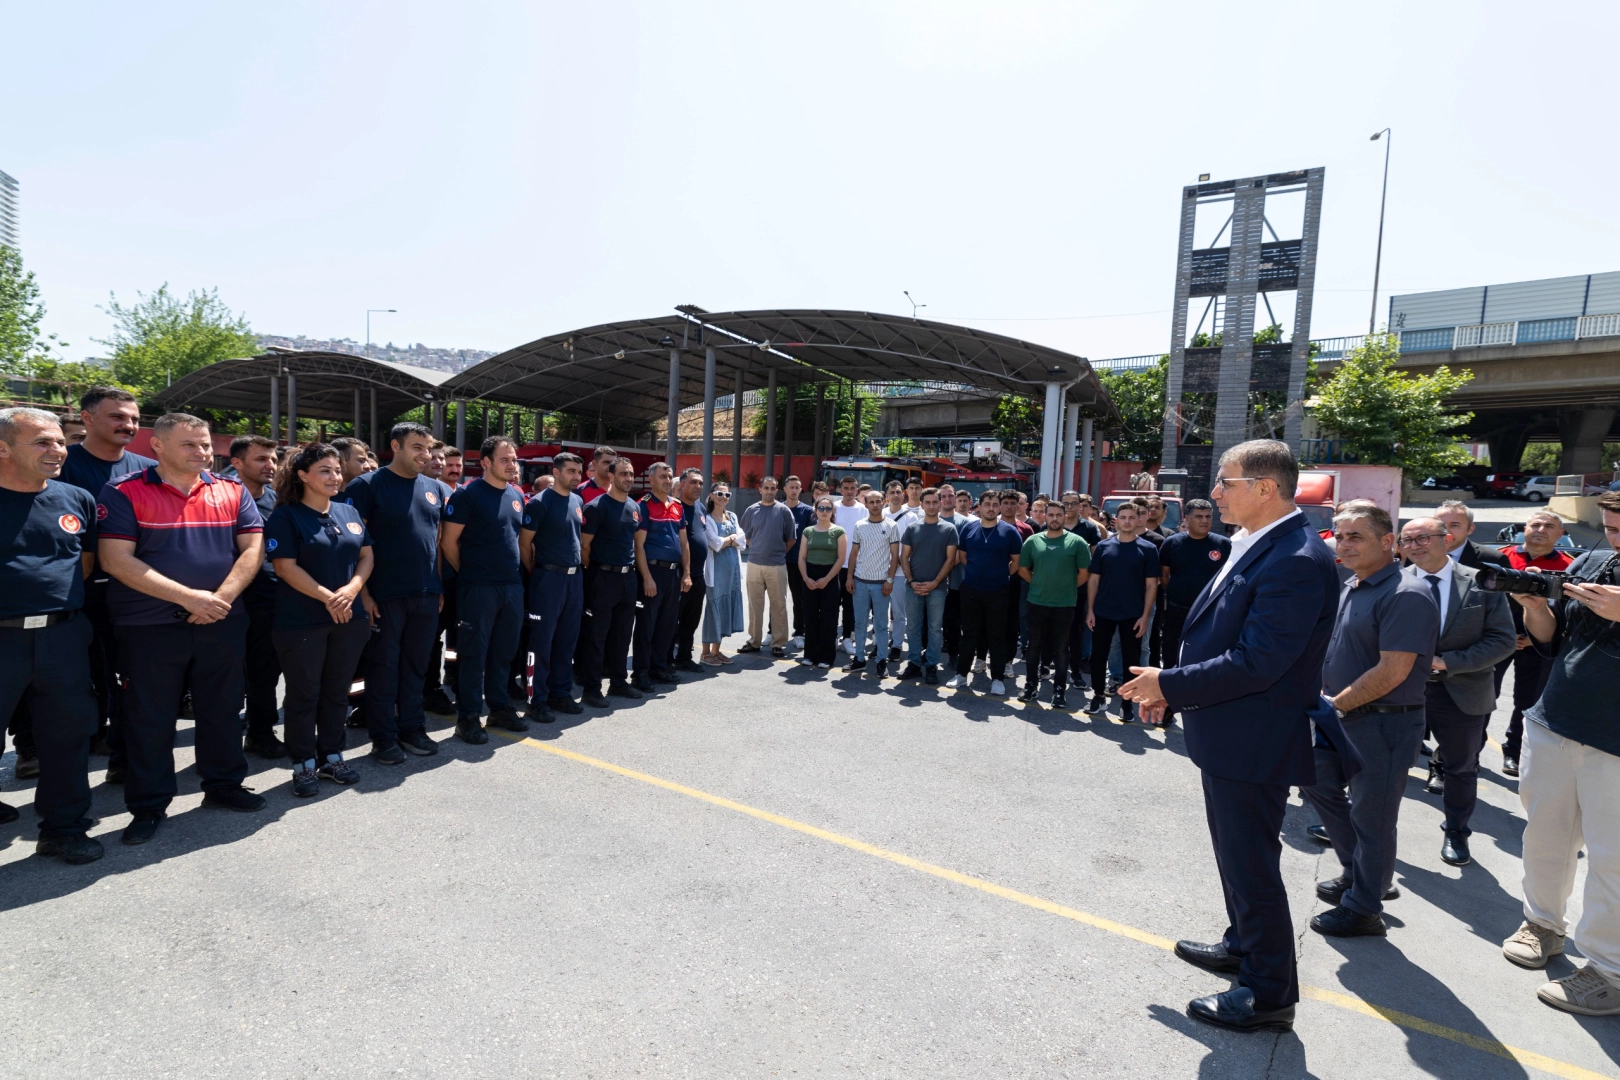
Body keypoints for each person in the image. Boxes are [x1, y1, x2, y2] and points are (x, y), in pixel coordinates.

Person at [1117, 440, 1339, 1034]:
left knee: (1252, 865)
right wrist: (1172, 690)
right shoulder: (1263, 543)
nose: (1214, 493)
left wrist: (1167, 683)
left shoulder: (1293, 557)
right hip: (1234, 731)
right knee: (1239, 857)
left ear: (1265, 488)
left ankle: (1269, 994)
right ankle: (1244, 944)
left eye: (1225, 481)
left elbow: (1257, 662)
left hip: (1252, 735)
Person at [98, 413, 267, 845]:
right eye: (191, 444)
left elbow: (251, 550)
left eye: (207, 444)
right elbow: (116, 560)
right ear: (157, 446)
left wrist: (221, 600)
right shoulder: (124, 492)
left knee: (223, 708)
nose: (204, 452)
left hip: (222, 620)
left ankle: (224, 784)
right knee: (149, 719)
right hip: (149, 626)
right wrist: (190, 598)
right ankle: (149, 805)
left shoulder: (231, 491)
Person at [1498, 490, 1620, 1015]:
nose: (1617, 539)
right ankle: (1542, 923)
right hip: (1555, 721)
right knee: (1544, 834)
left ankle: (1608, 970)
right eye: (1613, 527)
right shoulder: (1594, 561)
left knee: (1613, 860)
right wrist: (1535, 609)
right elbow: (1555, 639)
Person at [1301, 500, 1439, 939]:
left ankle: (1364, 908)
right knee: (1317, 782)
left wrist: (1335, 705)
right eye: (1340, 536)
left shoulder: (1407, 593)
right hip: (1341, 715)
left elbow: (1393, 670)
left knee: (1373, 816)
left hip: (1384, 724)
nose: (1344, 544)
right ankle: (1358, 873)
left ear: (1387, 541)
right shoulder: (1354, 584)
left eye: (1355, 536)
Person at [0, 408, 102, 863]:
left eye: (59, 441)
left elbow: (83, 563)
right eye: (41, 442)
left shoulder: (74, 498)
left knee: (67, 737)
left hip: (62, 638)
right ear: (3, 448)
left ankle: (64, 828)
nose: (57, 450)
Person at [1399, 516, 1515, 866]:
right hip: (1403, 691)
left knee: (1461, 768)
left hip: (1462, 692)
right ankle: (1363, 827)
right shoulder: (1394, 583)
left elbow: (1503, 639)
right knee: (1382, 761)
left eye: (1424, 538)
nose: (1415, 546)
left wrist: (1449, 662)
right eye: (1407, 541)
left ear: (1446, 539)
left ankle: (1456, 831)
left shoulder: (1482, 582)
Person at [264, 444, 373, 797]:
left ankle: (332, 756)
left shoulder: (347, 511)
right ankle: (302, 763)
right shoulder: (286, 516)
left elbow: (367, 555)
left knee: (337, 691)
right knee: (303, 693)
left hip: (349, 617)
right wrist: (330, 597)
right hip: (302, 621)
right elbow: (285, 567)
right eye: (325, 470)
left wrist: (353, 589)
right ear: (302, 475)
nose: (335, 476)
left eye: (337, 470)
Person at [61, 386, 156, 781]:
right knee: (68, 684)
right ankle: (44, 753)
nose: (128, 425)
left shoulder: (147, 468)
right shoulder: (61, 465)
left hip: (133, 594)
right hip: (74, 596)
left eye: (133, 418)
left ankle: (123, 759)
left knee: (130, 680)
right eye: (118, 416)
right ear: (87, 418)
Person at [342, 422, 450, 764]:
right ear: (396, 446)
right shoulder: (366, 486)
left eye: (429, 448)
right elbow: (352, 545)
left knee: (417, 666)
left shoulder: (435, 487)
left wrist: (439, 587)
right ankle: (383, 738)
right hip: (384, 596)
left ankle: (412, 728)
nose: (426, 454)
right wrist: (364, 594)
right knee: (383, 668)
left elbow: (438, 542)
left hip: (427, 594)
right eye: (417, 447)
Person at [443, 435, 529, 742]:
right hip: (477, 587)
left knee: (503, 653)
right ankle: (468, 717)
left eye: (514, 459)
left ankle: (499, 708)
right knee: (473, 655)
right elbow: (448, 542)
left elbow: (518, 540)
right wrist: (469, 574)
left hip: (511, 586)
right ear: (486, 463)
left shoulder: (517, 494)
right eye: (504, 459)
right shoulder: (468, 495)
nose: (511, 465)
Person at [1491, 510, 1574, 776]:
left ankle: (1514, 753)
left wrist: (1534, 637)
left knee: (1527, 701)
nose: (1541, 529)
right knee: (1481, 695)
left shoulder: (1572, 565)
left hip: (1539, 643)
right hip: (1494, 639)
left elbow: (1571, 610)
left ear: (1560, 534)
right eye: (1535, 524)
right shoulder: (1500, 557)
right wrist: (1503, 636)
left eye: (1549, 526)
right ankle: (1467, 750)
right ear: (1523, 529)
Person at [229, 435, 287, 759]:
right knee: (227, 676)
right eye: (261, 459)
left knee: (265, 672)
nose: (271, 465)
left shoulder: (276, 500)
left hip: (268, 601)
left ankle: (261, 732)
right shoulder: (221, 498)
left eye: (273, 459)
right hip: (228, 603)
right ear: (236, 463)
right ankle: (219, 742)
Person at [519, 451, 586, 724]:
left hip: (574, 578)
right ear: (556, 472)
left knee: (567, 640)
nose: (576, 476)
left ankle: (561, 692)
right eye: (570, 471)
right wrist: (536, 573)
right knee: (541, 643)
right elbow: (524, 544)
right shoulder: (539, 503)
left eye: (578, 472)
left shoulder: (578, 500)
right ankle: (537, 700)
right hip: (548, 579)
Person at [577, 457, 642, 708]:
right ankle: (592, 689)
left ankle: (618, 682)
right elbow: (585, 546)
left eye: (631, 474)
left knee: (622, 634)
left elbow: (635, 543)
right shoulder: (596, 507)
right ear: (611, 477)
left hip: (628, 578)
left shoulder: (634, 506)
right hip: (602, 578)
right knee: (597, 635)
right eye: (623, 474)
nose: (628, 478)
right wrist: (595, 571)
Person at [1085, 502, 1158, 719]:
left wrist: (1145, 616)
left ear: (1138, 520)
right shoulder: (1104, 547)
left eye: (1131, 517)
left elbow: (1152, 585)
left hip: (1133, 615)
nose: (1127, 521)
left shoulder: (1148, 549)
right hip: (1102, 612)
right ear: (1116, 520)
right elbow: (1093, 580)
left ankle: (1127, 703)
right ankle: (1098, 696)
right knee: (1098, 656)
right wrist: (1090, 610)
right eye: (1123, 517)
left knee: (1131, 660)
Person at [946, 492, 1023, 695]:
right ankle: (962, 675)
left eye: (994, 505)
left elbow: (1016, 561)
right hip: (971, 588)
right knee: (969, 634)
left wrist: (999, 576)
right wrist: (977, 572)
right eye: (987, 504)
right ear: (979, 507)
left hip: (998, 590)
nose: (991, 508)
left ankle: (997, 678)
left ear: (998, 508)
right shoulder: (969, 529)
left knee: (997, 635)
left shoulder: (1010, 531)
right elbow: (963, 556)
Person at [1018, 507, 1091, 706]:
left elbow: (1084, 573)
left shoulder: (1077, 542)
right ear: (1045, 517)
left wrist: (1066, 587)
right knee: (1033, 646)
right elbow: (1023, 569)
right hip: (1037, 602)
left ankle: (1059, 690)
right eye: (1051, 515)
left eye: (1059, 515)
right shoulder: (1033, 541)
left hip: (1065, 605)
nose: (1055, 518)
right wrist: (1039, 583)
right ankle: (1031, 685)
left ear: (1065, 517)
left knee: (1061, 649)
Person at [631, 462, 691, 691]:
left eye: (669, 476)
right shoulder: (643, 506)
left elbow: (684, 545)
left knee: (666, 625)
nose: (667, 480)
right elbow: (639, 546)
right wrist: (646, 578)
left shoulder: (677, 505)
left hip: (673, 574)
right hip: (652, 573)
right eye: (662, 477)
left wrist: (686, 574)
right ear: (651, 480)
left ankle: (659, 667)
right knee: (646, 626)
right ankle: (641, 673)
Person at [1157, 499, 1230, 672]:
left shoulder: (1224, 545)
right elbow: (1164, 576)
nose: (1204, 520)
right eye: (1198, 516)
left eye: (1208, 516)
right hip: (1177, 610)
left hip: (1209, 612)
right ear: (1187, 519)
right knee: (1171, 652)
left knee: (1207, 654)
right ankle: (1171, 690)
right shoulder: (1172, 543)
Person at [898, 487, 958, 685]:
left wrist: (934, 583)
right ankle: (914, 663)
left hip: (938, 589)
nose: (932, 505)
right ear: (922, 505)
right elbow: (903, 557)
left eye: (935, 502)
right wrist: (911, 581)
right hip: (913, 587)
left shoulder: (949, 529)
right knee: (913, 627)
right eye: (928, 502)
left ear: (940, 504)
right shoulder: (912, 528)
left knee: (934, 628)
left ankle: (931, 664)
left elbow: (950, 560)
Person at [738, 476, 797, 658]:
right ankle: (754, 641)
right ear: (760, 489)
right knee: (755, 605)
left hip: (777, 565)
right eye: (766, 488)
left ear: (777, 490)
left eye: (773, 488)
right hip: (754, 564)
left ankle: (778, 643)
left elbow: (791, 539)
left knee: (778, 605)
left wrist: (778, 553)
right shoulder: (751, 510)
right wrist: (757, 549)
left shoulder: (784, 511)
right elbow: (746, 536)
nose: (770, 491)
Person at [845, 489, 899, 677]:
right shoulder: (859, 525)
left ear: (883, 502)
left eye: (878, 501)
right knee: (859, 623)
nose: (875, 505)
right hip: (860, 583)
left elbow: (895, 557)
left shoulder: (892, 526)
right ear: (865, 504)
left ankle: (881, 661)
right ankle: (859, 659)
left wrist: (889, 580)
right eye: (871, 502)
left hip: (881, 585)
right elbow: (853, 554)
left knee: (881, 625)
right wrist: (850, 577)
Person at [797, 498, 848, 670]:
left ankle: (826, 657)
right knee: (810, 617)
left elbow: (841, 559)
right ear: (816, 510)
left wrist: (827, 579)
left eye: (828, 508)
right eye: (821, 507)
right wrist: (806, 578)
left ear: (833, 511)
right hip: (810, 576)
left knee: (829, 618)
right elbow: (802, 557)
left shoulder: (839, 531)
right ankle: (810, 655)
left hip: (830, 577)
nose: (824, 510)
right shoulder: (808, 531)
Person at [699, 485, 746, 664]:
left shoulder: (732, 516)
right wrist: (731, 539)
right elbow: (714, 543)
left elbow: (743, 541)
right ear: (711, 495)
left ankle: (716, 650)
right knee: (713, 608)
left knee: (726, 608)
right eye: (719, 493)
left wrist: (729, 541)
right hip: (716, 571)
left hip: (732, 571)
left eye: (727, 494)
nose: (723, 497)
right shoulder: (708, 518)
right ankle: (705, 653)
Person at [673, 468, 709, 673]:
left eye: (700, 483)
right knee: (670, 622)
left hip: (697, 575)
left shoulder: (700, 508)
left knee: (691, 620)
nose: (698, 487)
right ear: (682, 485)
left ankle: (684, 657)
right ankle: (664, 660)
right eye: (693, 482)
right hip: (678, 575)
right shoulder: (674, 507)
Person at [832, 477, 865, 651]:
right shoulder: (833, 508)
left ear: (857, 489)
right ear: (840, 489)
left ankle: (847, 638)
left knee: (850, 606)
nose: (849, 491)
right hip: (834, 565)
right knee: (832, 604)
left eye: (853, 488)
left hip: (855, 566)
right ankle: (831, 637)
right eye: (846, 488)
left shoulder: (863, 510)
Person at [782, 475, 815, 648]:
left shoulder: (807, 511)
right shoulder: (777, 509)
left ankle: (799, 632)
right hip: (779, 561)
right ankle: (773, 631)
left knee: (799, 599)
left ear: (801, 490)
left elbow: (810, 537)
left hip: (798, 561)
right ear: (785, 489)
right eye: (791, 487)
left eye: (797, 487)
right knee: (777, 598)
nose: (794, 490)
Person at [1436, 498, 1510, 572]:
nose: (1446, 532)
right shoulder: (1424, 555)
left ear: (1470, 529)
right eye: (1441, 525)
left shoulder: (1493, 560)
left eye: (1454, 525)